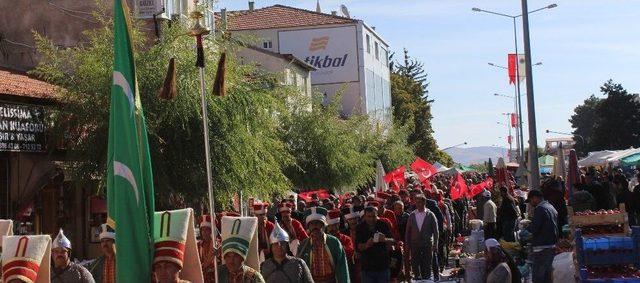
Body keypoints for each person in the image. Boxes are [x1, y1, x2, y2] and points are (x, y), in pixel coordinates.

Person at [297, 207, 350, 283]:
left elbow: (342, 268)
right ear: (308, 227)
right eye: (312, 224)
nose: (315, 226)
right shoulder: (304, 245)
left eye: (318, 223)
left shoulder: (334, 242)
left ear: (324, 226)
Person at [218, 215, 265, 283]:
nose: (231, 261)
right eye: (228, 256)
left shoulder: (253, 277)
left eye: (235, 256)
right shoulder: (217, 273)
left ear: (242, 257)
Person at [525, 190, 558, 283]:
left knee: (538, 277)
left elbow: (535, 227)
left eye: (530, 200)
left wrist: (527, 229)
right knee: (547, 276)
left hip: (541, 248)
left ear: (535, 197)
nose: (531, 204)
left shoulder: (540, 209)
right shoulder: (550, 207)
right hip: (550, 245)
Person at [404, 194, 439, 281]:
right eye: (417, 202)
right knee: (415, 263)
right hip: (415, 243)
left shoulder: (430, 215)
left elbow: (436, 231)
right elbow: (407, 231)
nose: (418, 204)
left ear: (424, 202)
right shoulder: (412, 215)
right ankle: (417, 278)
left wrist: (435, 244)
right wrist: (407, 244)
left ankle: (426, 278)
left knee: (427, 263)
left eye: (420, 202)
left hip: (427, 243)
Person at [197, 215, 216, 282]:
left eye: (207, 230)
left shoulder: (217, 245)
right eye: (202, 230)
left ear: (211, 231)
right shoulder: (198, 245)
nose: (204, 232)